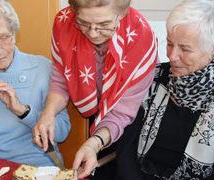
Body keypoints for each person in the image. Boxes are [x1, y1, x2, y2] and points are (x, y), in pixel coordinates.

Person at [114, 0, 214, 179]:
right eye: (169, 43)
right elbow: (126, 149)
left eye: (185, 48)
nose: (172, 55)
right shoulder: (152, 77)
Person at [32, 0, 158, 178]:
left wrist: (95, 143)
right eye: (83, 23)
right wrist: (48, 113)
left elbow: (123, 112)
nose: (92, 33)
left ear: (122, 13)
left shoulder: (142, 39)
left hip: (129, 118)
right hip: (89, 110)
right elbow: (61, 78)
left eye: (104, 24)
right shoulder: (64, 23)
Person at [0, 0, 70, 167]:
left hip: (41, 165)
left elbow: (62, 132)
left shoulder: (43, 68)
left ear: (14, 33)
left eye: (4, 37)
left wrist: (22, 111)